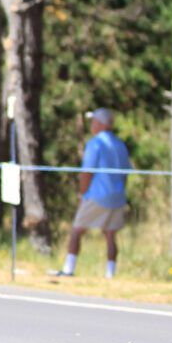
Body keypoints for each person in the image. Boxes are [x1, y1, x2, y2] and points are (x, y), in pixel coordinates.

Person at [54, 107, 132, 278]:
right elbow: (126, 173)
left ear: (101, 124)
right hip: (117, 196)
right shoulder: (120, 145)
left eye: (94, 121)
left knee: (77, 230)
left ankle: (68, 269)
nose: (92, 125)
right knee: (111, 234)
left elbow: (87, 172)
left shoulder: (95, 143)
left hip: (97, 195)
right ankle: (110, 273)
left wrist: (83, 193)